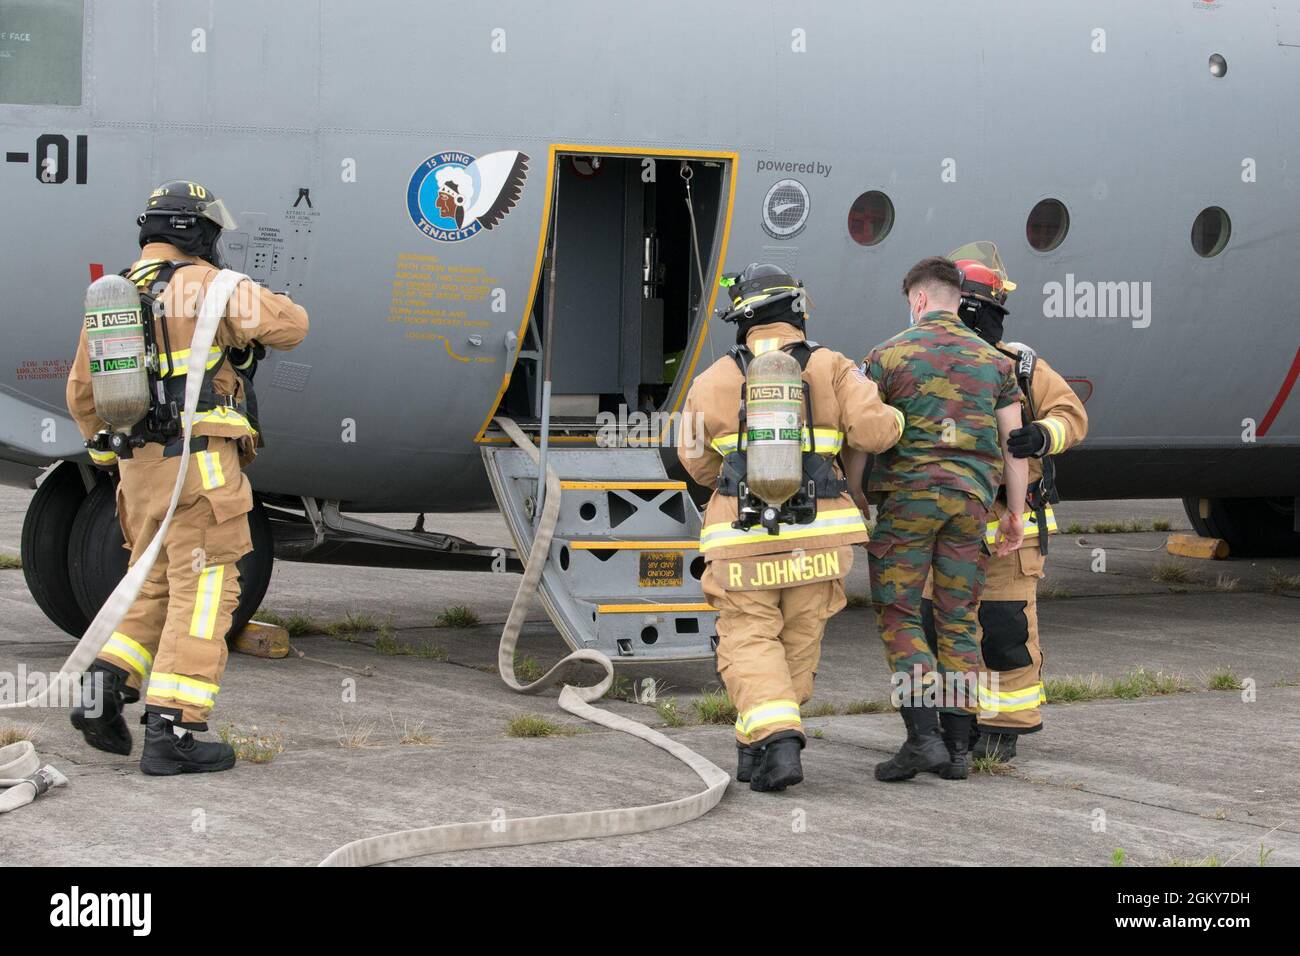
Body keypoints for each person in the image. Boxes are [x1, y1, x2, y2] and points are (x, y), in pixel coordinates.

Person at [66, 180, 309, 775]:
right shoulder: (212, 286)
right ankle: (175, 731)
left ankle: (104, 685)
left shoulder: (118, 294)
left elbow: (81, 394)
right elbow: (291, 326)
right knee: (206, 595)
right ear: (197, 232)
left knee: (154, 584)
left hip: (139, 475)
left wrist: (110, 459)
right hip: (199, 471)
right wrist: (257, 298)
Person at [677, 263, 904, 792]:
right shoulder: (833, 366)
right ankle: (758, 745)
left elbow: (693, 459)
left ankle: (775, 740)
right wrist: (897, 417)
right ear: (798, 309)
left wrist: (735, 477)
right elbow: (874, 433)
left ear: (741, 319)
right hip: (819, 540)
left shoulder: (710, 380)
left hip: (741, 540)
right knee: (798, 641)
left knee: (749, 638)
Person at [848, 256, 1027, 783]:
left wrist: (856, 491)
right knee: (957, 617)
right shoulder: (996, 363)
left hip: (908, 502)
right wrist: (1015, 513)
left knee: (900, 613)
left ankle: (921, 736)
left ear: (919, 299)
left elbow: (862, 432)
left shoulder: (886, 355)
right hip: (970, 503)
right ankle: (957, 748)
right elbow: (1014, 445)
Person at [921, 242, 1089, 763]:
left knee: (1004, 629)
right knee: (941, 627)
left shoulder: (1021, 366)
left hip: (1006, 533)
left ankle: (1004, 725)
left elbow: (1072, 417)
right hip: (941, 527)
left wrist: (1041, 435)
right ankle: (954, 723)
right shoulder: (922, 360)